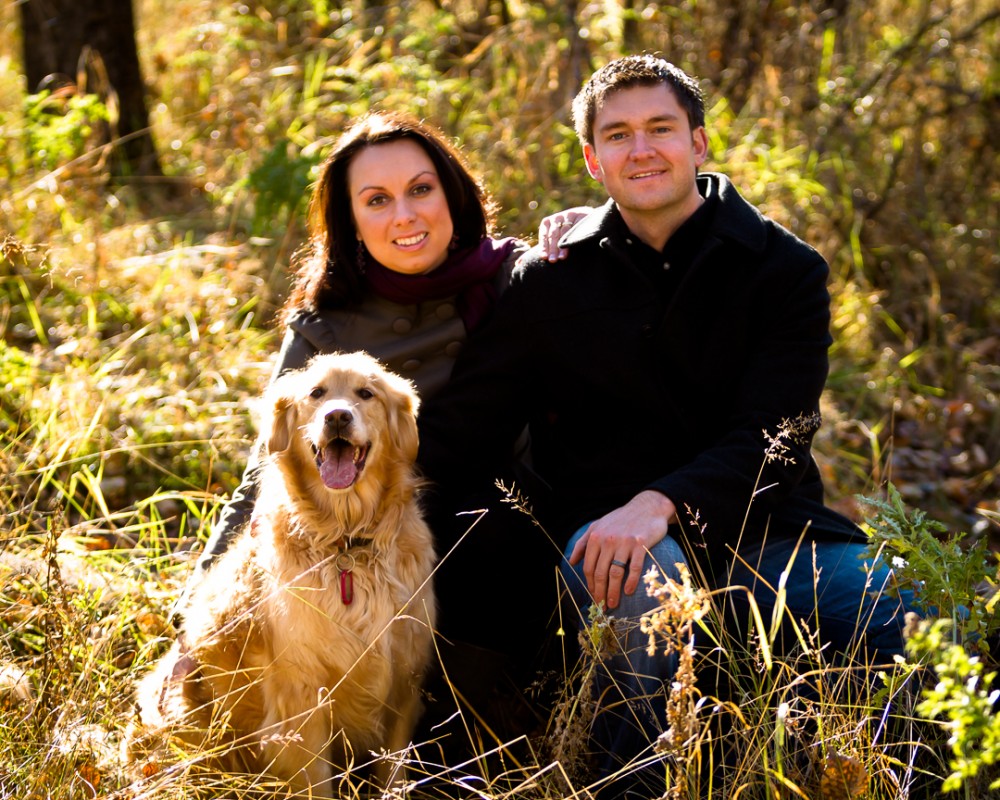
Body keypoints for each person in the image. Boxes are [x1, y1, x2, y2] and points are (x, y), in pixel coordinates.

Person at [416, 56, 919, 798]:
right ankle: (632, 784)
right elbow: (464, 429)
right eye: (616, 135)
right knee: (638, 578)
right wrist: (336, 473)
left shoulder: (784, 271)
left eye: (661, 129)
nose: (641, 149)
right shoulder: (549, 279)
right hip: (609, 554)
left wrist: (659, 505)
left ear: (700, 143)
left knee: (914, 612)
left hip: (770, 542)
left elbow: (771, 440)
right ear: (592, 160)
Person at [192, 110, 580, 765]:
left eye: (421, 190)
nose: (405, 215)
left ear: (454, 197)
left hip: (502, 545)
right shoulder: (324, 328)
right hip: (357, 550)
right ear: (350, 223)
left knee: (480, 523)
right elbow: (266, 475)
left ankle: (469, 747)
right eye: (377, 200)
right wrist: (193, 615)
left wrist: (589, 231)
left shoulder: (519, 279)